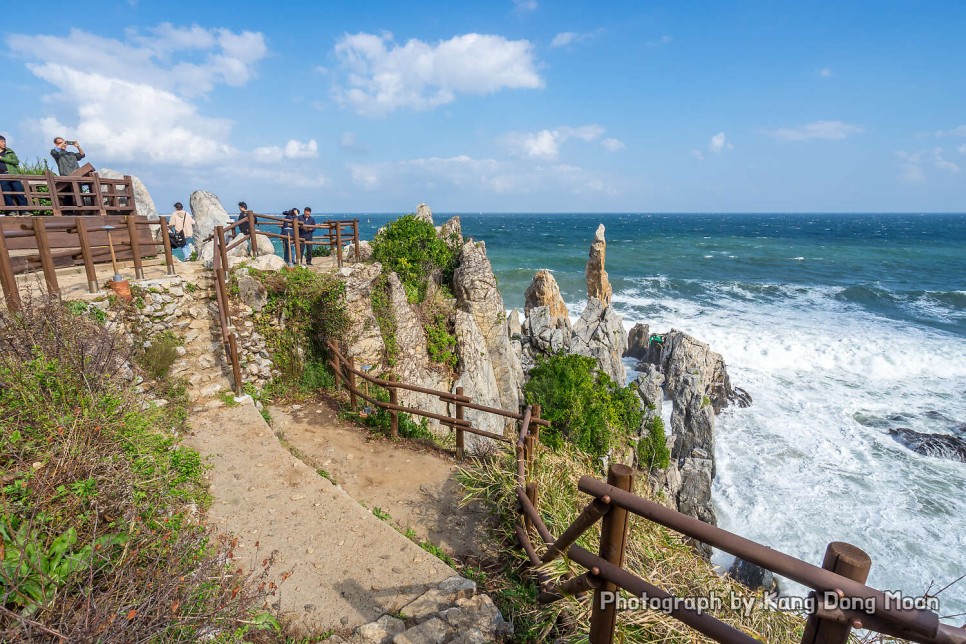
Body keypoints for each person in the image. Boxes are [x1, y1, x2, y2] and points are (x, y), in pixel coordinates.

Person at [0, 135, 29, 215]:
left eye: (4, 141)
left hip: (13, 174)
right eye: (2, 141)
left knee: (19, 192)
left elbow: (16, 161)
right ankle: (11, 211)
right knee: (7, 194)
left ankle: (24, 211)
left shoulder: (9, 151)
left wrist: (2, 158)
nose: (4, 143)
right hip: (2, 176)